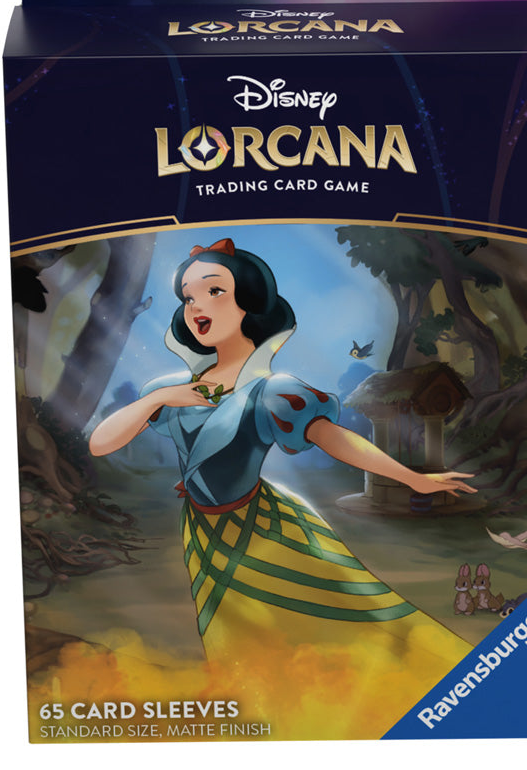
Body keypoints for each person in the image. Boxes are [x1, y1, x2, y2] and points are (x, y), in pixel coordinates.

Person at [89, 238, 476, 670]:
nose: (197, 307)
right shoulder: (169, 389)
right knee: (227, 631)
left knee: (327, 617)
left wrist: (413, 478)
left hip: (263, 527)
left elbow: (332, 438)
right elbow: (101, 443)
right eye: (188, 297)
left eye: (214, 290)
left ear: (249, 302)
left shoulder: (272, 391)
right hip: (200, 531)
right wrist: (160, 399)